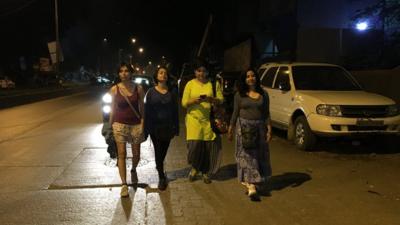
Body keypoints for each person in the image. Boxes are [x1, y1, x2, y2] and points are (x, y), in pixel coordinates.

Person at [227, 68, 272, 201]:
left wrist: (269, 129)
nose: (251, 78)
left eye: (253, 76)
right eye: (248, 76)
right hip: (244, 130)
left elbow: (266, 113)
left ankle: (254, 182)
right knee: (247, 157)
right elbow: (235, 113)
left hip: (259, 128)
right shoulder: (239, 95)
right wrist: (230, 128)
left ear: (256, 78)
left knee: (259, 156)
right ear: (244, 79)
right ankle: (251, 186)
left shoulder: (264, 94)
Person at [181, 59, 224, 184]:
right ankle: (195, 167)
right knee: (194, 147)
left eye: (204, 71)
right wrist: (194, 101)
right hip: (193, 120)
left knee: (207, 147)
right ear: (195, 72)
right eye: (199, 71)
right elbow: (184, 103)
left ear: (207, 72)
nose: (201, 73)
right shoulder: (190, 84)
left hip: (208, 121)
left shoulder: (213, 84)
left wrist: (212, 99)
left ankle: (205, 172)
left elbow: (221, 100)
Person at [109, 63, 145, 197]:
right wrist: (109, 124)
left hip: (136, 124)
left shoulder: (139, 88)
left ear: (131, 73)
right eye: (121, 71)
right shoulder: (114, 89)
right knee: (122, 153)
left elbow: (142, 106)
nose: (124, 73)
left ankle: (134, 168)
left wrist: (143, 121)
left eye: (126, 71)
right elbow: (112, 108)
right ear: (119, 74)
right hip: (119, 124)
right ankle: (124, 184)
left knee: (136, 155)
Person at [144, 66, 179, 190]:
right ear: (156, 76)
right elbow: (147, 111)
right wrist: (146, 130)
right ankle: (161, 177)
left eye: (165, 73)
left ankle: (159, 166)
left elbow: (175, 111)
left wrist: (176, 128)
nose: (163, 75)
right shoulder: (151, 92)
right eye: (160, 73)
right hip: (155, 128)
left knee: (163, 151)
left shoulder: (172, 92)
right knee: (158, 151)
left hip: (168, 127)